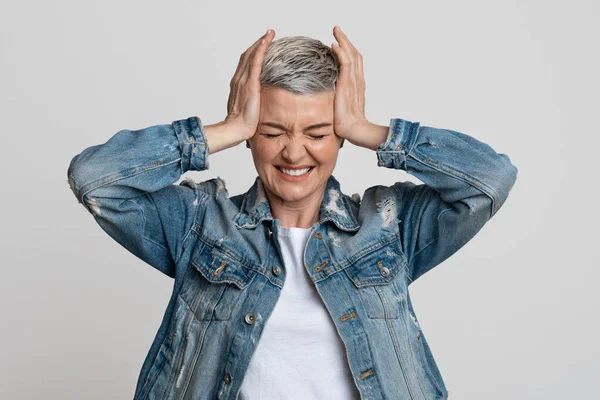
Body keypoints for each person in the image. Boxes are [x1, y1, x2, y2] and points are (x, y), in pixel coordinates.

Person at [67, 26, 517, 400]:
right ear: (250, 135)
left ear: (340, 137)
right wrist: (224, 128)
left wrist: (369, 129)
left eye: (318, 132)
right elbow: (95, 179)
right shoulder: (200, 225)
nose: (294, 151)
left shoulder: (388, 225)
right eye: (271, 131)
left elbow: (489, 180)